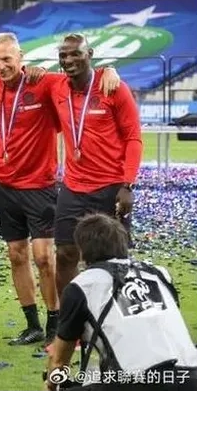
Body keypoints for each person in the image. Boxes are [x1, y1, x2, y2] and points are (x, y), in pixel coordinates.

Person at [0, 33, 121, 346]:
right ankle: (32, 325)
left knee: (44, 258)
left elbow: (81, 76)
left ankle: (55, 321)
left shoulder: (45, 82)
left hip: (40, 185)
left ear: (21, 57)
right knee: (16, 254)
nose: (1, 65)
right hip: (4, 184)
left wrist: (108, 70)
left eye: (7, 59)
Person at [45, 213, 199, 391]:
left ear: (81, 251)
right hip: (195, 376)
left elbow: (59, 361)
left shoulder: (83, 286)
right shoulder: (159, 274)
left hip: (140, 383)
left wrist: (50, 385)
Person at [51, 33, 143, 298]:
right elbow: (17, 72)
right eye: (63, 55)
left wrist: (127, 185)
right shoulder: (57, 87)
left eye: (76, 54)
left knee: (115, 258)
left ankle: (114, 315)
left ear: (89, 55)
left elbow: (133, 138)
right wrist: (30, 70)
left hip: (110, 186)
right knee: (65, 253)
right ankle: (71, 319)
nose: (69, 60)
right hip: (73, 186)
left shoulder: (113, 87)